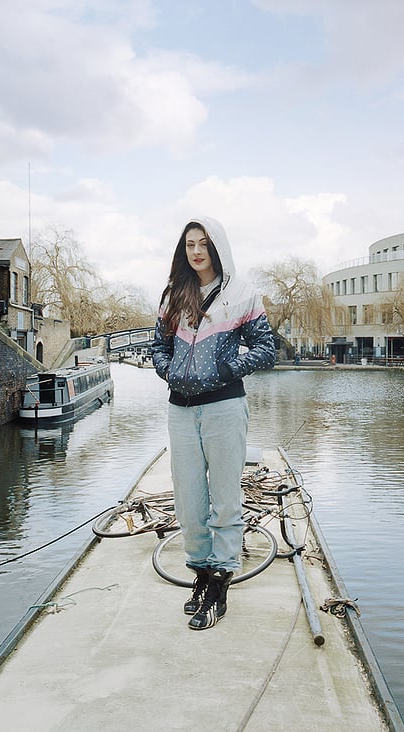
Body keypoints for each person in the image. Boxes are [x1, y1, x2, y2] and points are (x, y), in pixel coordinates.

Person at [151, 216, 276, 630]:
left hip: (223, 407)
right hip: (180, 409)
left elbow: (266, 348)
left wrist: (227, 369)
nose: (197, 251)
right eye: (190, 244)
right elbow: (158, 346)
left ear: (217, 245)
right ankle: (200, 576)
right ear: (182, 250)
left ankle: (220, 583)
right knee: (189, 499)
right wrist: (168, 372)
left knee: (225, 497)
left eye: (204, 243)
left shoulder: (242, 293)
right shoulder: (174, 294)